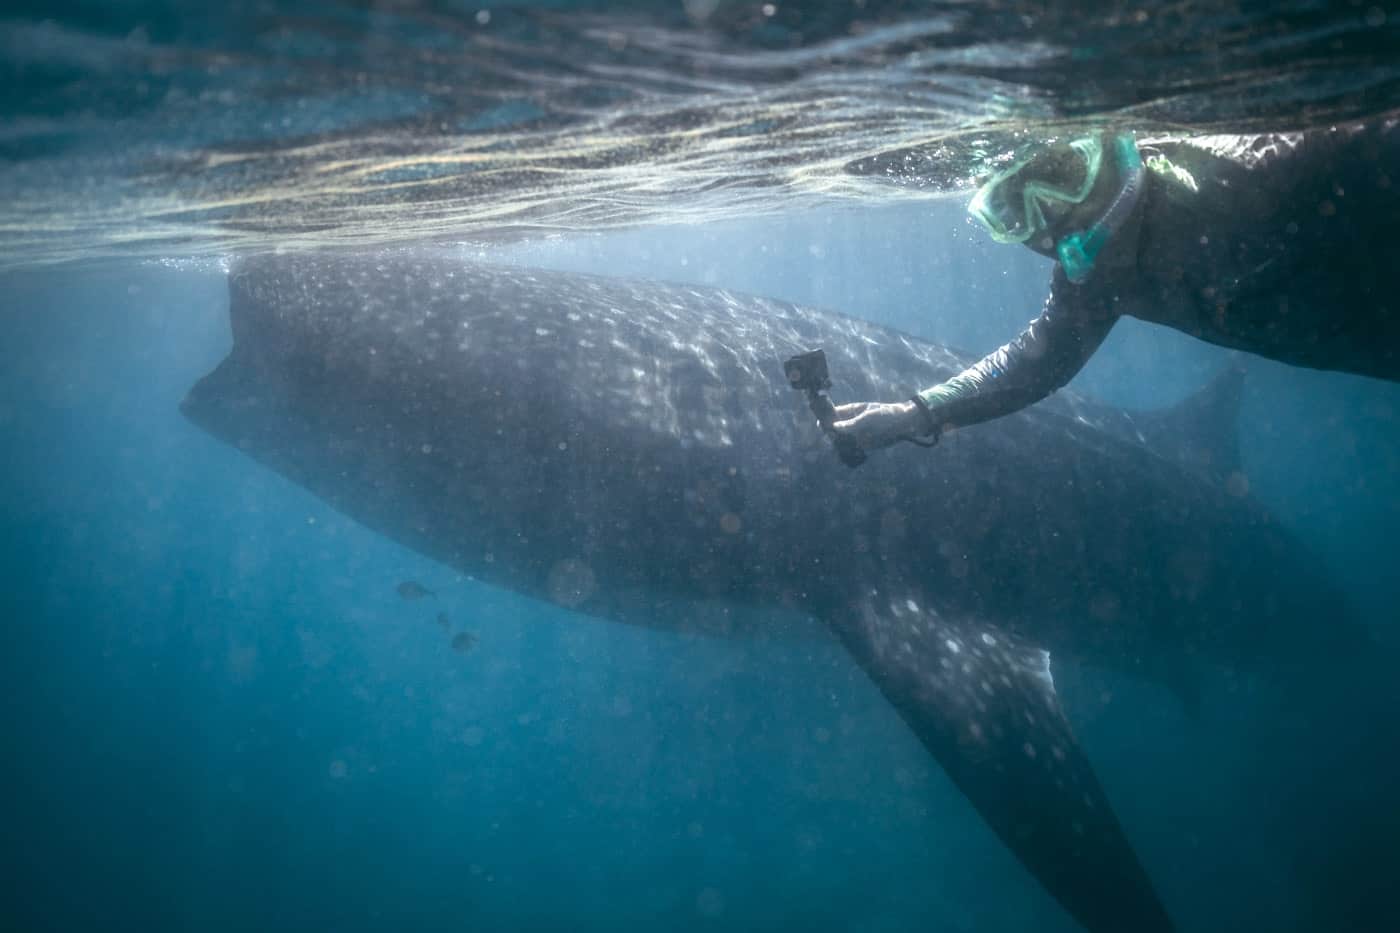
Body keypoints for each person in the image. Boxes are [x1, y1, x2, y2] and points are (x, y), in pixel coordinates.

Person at [831, 120, 1399, 454]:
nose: (1049, 218)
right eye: (1011, 210)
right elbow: (1034, 365)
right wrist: (915, 414)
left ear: (1111, 144)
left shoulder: (1250, 165)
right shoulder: (1099, 282)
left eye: (1059, 176)